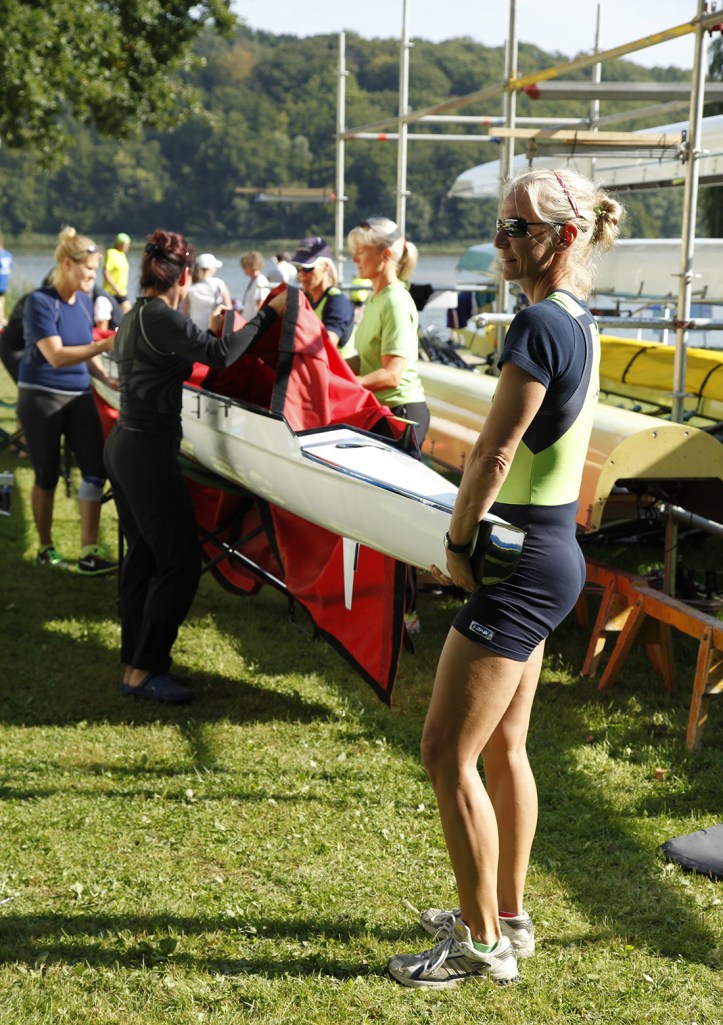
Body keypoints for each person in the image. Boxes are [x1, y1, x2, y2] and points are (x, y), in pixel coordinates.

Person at [386, 169, 624, 989]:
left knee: (444, 751)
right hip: (552, 552)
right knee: (505, 747)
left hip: (520, 561)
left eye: (515, 229)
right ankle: (509, 915)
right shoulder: (576, 319)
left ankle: (482, 941)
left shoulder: (535, 327)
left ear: (562, 238)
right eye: (498, 225)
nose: (499, 242)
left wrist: (456, 541)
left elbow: (491, 453)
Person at [104, 229, 287, 705]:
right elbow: (221, 356)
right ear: (183, 276)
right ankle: (145, 669)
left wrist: (220, 329)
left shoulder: (136, 316)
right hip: (145, 451)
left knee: (145, 556)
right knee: (180, 563)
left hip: (128, 446)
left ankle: (134, 666)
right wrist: (269, 312)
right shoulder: (161, 316)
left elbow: (203, 352)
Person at [17, 227, 118, 573]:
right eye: (88, 269)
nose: (93, 276)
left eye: (94, 270)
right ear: (66, 264)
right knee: (46, 476)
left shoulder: (86, 302)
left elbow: (85, 345)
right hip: (41, 396)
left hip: (79, 396)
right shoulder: (39, 302)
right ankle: (46, 548)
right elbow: (56, 356)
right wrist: (104, 346)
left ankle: (89, 551)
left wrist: (106, 377)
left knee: (94, 470)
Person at [346, 217, 430, 634]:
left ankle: (407, 614)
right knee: (375, 515)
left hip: (401, 414)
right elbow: (360, 361)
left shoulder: (396, 300)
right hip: (382, 414)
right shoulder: (374, 297)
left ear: (384, 255)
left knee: (396, 518)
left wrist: (341, 384)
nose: (353, 258)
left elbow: (392, 374)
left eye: (360, 251)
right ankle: (383, 605)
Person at [292, 236, 355, 354]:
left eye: (308, 268)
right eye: (298, 267)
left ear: (326, 266)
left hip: (336, 371)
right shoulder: (306, 299)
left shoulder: (337, 302)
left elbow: (326, 347)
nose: (302, 274)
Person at [182, 253, 232, 330]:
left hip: (195, 330)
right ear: (210, 269)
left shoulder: (190, 288)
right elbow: (229, 308)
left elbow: (185, 312)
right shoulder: (219, 284)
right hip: (214, 329)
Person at [103, 232, 132, 312]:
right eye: (127, 244)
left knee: (127, 314)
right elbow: (106, 272)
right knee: (127, 311)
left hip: (122, 291)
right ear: (120, 244)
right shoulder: (111, 253)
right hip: (112, 291)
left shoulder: (122, 254)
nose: (128, 246)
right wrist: (115, 288)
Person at [240, 250, 270, 322]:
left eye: (245, 266)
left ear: (252, 265)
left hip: (252, 323)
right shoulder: (253, 280)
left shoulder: (261, 281)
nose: (243, 268)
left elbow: (261, 303)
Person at [0, 236, 12, 326]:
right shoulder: (9, 255)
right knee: (1, 299)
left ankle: (1, 319)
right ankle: (2, 318)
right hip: (4, 281)